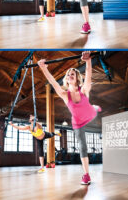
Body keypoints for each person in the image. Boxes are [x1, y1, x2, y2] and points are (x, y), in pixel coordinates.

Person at [37, 51, 102, 185]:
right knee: (82, 147)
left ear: (77, 78)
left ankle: (95, 107)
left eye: (72, 74)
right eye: (68, 75)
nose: (69, 76)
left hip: (90, 114)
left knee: (94, 109)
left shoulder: (84, 90)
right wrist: (44, 68)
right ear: (66, 80)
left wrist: (88, 61)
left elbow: (89, 76)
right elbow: (53, 82)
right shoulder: (64, 94)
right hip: (78, 122)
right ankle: (86, 174)